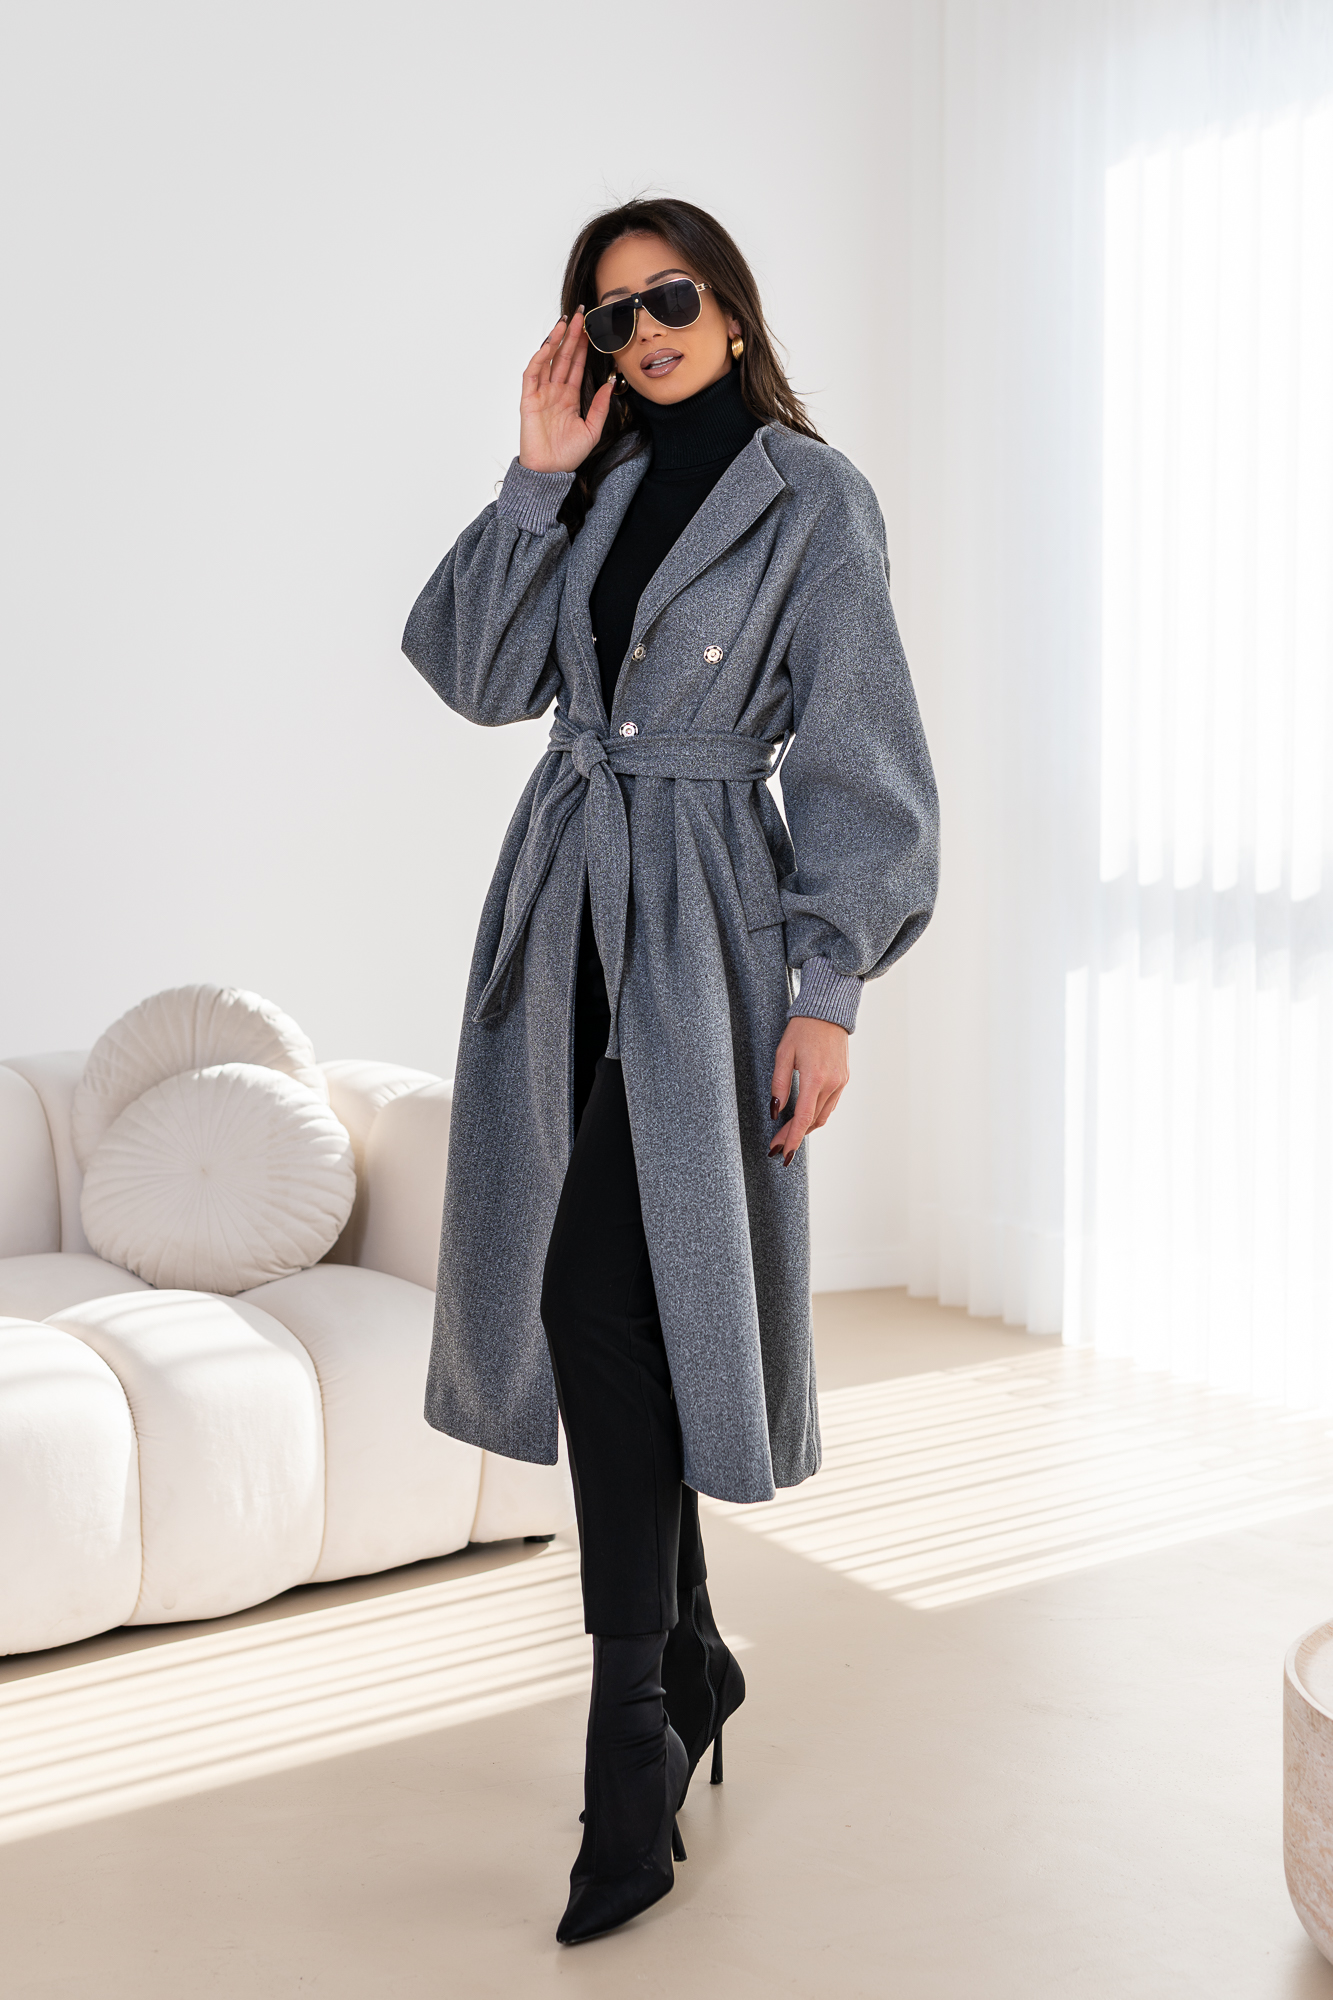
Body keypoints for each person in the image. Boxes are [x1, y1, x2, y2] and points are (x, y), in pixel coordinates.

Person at [402, 196, 938, 1945]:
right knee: (593, 1303)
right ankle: (690, 1651)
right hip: (563, 896)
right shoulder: (598, 478)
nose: (644, 332)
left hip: (705, 923)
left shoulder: (813, 498)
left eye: (672, 297)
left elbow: (860, 757)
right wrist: (536, 474)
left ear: (733, 308)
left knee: (606, 1294)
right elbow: (473, 675)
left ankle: (628, 1738)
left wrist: (826, 991)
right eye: (611, 311)